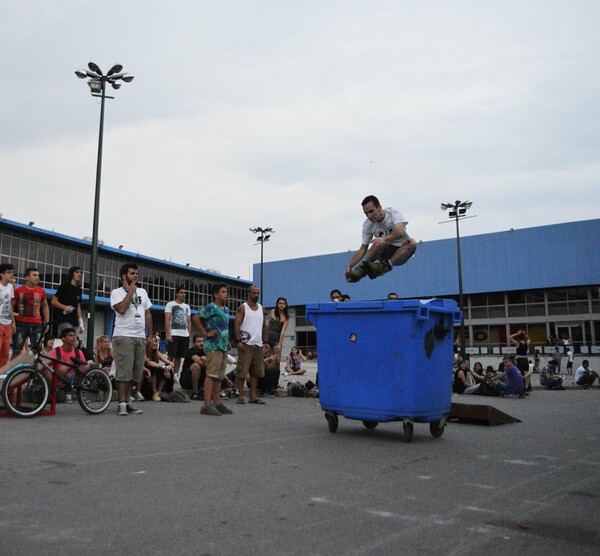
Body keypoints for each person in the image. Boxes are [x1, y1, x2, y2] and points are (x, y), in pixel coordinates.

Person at [110, 263, 152, 416]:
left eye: (136, 273)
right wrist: (130, 292)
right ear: (124, 276)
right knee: (124, 371)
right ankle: (121, 403)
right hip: (123, 335)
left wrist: (151, 334)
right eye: (132, 273)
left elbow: (147, 314)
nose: (135, 276)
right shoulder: (116, 292)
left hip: (140, 336)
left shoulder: (143, 292)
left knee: (136, 373)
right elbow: (121, 309)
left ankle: (128, 402)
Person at [345, 195, 417, 283]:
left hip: (400, 252)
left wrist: (384, 238)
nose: (369, 216)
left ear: (379, 207)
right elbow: (363, 248)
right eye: (366, 213)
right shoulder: (367, 225)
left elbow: (399, 232)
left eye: (371, 211)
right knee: (379, 242)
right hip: (384, 252)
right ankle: (362, 269)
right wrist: (350, 265)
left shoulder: (393, 213)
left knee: (412, 242)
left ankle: (386, 266)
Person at [192, 282, 233, 416]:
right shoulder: (211, 307)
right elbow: (196, 318)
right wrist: (205, 333)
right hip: (213, 345)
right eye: (223, 292)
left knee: (219, 376)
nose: (226, 294)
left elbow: (224, 327)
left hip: (222, 346)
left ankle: (217, 402)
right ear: (216, 294)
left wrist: (227, 341)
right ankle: (207, 404)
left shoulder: (226, 309)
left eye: (226, 292)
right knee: (211, 374)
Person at [233, 284, 267, 405]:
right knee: (242, 371)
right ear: (249, 293)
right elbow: (236, 324)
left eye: (258, 293)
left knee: (256, 372)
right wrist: (238, 341)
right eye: (254, 293)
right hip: (245, 344)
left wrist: (265, 342)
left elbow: (264, 326)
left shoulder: (261, 308)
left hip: (258, 344)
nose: (256, 295)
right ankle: (241, 396)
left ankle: (253, 396)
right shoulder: (243, 307)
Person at [11, 267, 50, 360]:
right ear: (27, 277)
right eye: (34, 275)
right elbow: (11, 305)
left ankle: (33, 372)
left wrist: (47, 321)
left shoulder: (41, 291)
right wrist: (13, 322)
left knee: (37, 350)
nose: (37, 277)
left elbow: (45, 306)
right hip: (21, 323)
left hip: (37, 324)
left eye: (38, 275)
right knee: (17, 350)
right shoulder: (18, 290)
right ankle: (8, 372)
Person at [45, 327, 91, 403]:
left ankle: (76, 393)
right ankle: (63, 391)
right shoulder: (56, 351)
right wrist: (54, 382)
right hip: (60, 378)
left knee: (85, 366)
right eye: (70, 335)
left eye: (74, 335)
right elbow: (47, 368)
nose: (73, 337)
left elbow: (85, 366)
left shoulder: (78, 352)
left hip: (74, 377)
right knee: (61, 369)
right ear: (63, 339)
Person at [164, 286, 192, 378]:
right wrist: (168, 334)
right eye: (181, 292)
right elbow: (167, 320)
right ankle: (166, 371)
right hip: (174, 333)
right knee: (171, 355)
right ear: (176, 294)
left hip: (184, 335)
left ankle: (176, 374)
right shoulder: (170, 305)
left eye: (185, 292)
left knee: (179, 356)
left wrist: (188, 334)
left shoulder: (187, 307)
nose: (183, 294)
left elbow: (189, 322)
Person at [51, 266, 84, 337]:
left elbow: (78, 307)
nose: (79, 274)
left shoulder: (79, 289)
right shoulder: (64, 286)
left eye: (80, 272)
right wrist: (64, 307)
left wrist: (81, 323)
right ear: (72, 273)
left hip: (74, 321)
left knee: (73, 343)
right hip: (64, 319)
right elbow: (54, 301)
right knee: (68, 338)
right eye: (77, 272)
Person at [145, 335, 174, 401]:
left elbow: (170, 363)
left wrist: (169, 367)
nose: (155, 343)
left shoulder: (156, 352)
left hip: (154, 376)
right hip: (146, 378)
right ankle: (154, 392)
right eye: (152, 342)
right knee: (155, 368)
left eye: (156, 341)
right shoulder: (144, 352)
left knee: (166, 369)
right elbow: (148, 363)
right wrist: (163, 367)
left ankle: (158, 392)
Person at [180, 335, 207, 400]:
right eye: (199, 341)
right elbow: (201, 363)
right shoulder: (190, 351)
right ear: (194, 343)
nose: (201, 343)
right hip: (186, 381)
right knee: (196, 365)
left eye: (203, 341)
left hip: (200, 380)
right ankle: (195, 392)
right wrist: (208, 360)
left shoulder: (206, 351)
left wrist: (206, 359)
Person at [0, 263, 16, 368]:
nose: (11, 274)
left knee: (5, 352)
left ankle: (1, 374)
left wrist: (13, 321)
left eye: (12, 272)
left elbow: (10, 304)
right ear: (2, 274)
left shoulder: (10, 287)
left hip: (8, 323)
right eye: (8, 272)